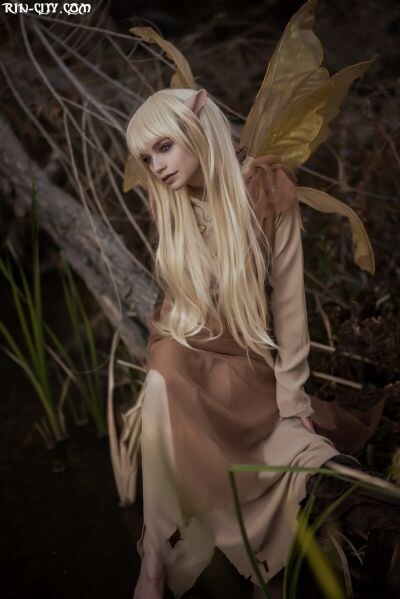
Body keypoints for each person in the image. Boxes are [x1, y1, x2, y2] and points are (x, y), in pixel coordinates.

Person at [125, 87, 400, 599]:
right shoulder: (174, 206)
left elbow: (290, 306)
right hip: (184, 347)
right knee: (164, 368)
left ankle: (164, 555)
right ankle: (154, 558)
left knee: (291, 445)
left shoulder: (266, 189)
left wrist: (293, 400)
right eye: (146, 158)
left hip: (245, 360)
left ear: (197, 127)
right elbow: (176, 309)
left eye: (164, 147)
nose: (156, 167)